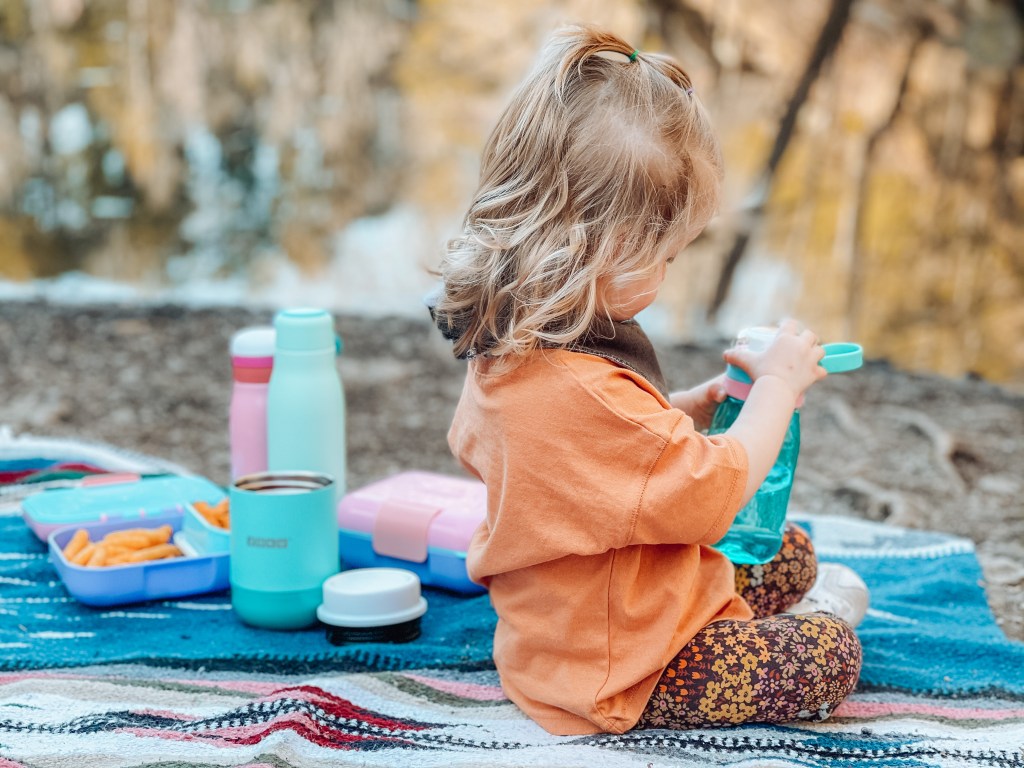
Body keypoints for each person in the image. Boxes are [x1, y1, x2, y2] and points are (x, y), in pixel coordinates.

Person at [430, 24, 868, 736]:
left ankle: (758, 613)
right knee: (829, 655)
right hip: (625, 664)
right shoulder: (576, 387)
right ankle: (808, 626)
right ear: (610, 250)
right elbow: (716, 492)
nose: (667, 273)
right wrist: (778, 390)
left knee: (788, 552)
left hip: (579, 622)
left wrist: (682, 410)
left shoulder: (508, 349)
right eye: (666, 257)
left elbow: (582, 458)